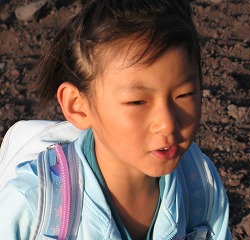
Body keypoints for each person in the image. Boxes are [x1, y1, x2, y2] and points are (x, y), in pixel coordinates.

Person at [0, 0, 231, 239]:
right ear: (78, 106)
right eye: (137, 102)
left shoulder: (200, 185)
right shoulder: (32, 209)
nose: (168, 123)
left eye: (185, 95)